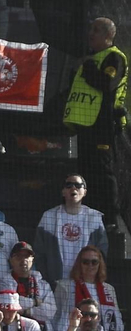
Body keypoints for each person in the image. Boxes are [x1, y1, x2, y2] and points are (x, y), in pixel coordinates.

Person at [63, 19, 126, 223]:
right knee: (87, 171)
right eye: (90, 29)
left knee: (103, 172)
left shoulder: (114, 57)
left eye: (96, 30)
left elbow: (105, 83)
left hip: (103, 126)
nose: (91, 33)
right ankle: (90, 214)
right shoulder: (91, 58)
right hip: (86, 126)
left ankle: (110, 219)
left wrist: (88, 65)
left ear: (109, 35)